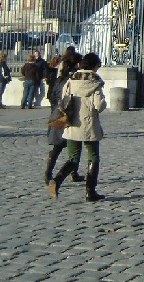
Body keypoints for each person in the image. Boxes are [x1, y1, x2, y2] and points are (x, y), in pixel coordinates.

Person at [48, 52, 106, 201]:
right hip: (89, 123)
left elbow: (63, 100)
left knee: (73, 158)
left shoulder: (71, 79)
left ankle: (57, 180)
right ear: (94, 66)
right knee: (93, 157)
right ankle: (90, 192)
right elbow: (99, 105)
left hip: (72, 122)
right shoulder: (95, 81)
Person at [44, 47, 84, 186]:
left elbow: (50, 95)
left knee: (58, 147)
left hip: (56, 112)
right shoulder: (73, 79)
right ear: (78, 64)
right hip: (67, 115)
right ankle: (70, 173)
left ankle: (49, 173)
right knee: (73, 146)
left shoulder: (60, 78)